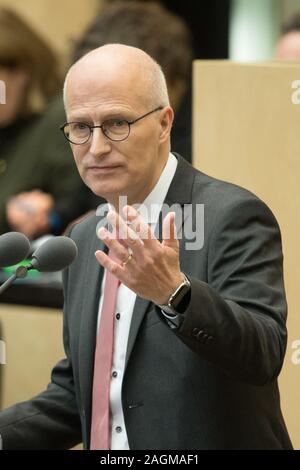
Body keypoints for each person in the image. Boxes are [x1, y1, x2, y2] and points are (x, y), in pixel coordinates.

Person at [0, 44, 292, 450]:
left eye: (117, 123)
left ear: (163, 123)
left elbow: (263, 354)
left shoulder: (230, 215)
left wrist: (175, 294)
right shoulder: (83, 238)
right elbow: (84, 396)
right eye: (81, 128)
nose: (97, 147)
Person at [0, 8, 89, 239]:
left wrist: (47, 213)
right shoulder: (10, 125)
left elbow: (80, 204)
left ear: (22, 73)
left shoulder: (58, 118)